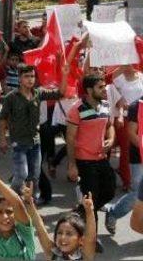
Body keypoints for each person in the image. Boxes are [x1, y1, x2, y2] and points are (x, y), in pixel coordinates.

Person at [0, 63, 69, 195]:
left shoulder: (39, 93)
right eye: (26, 76)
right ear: (19, 78)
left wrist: (64, 75)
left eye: (32, 76)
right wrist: (2, 139)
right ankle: (11, 198)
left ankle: (32, 203)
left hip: (35, 143)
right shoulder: (11, 98)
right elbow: (2, 119)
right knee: (21, 175)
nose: (30, 79)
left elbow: (60, 93)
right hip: (19, 144)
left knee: (34, 176)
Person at [66, 74, 115, 253]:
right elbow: (70, 138)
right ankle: (91, 239)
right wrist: (72, 165)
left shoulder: (105, 105)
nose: (104, 90)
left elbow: (110, 126)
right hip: (85, 161)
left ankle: (80, 210)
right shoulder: (77, 109)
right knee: (92, 201)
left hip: (101, 158)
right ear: (89, 90)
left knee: (109, 191)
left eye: (104, 86)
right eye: (100, 87)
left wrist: (110, 139)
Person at [22, 182, 96, 261]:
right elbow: (40, 227)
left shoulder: (84, 257)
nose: (63, 237)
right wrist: (28, 202)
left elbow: (91, 239)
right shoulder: (52, 254)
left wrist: (89, 211)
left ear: (81, 240)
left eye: (69, 234)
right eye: (60, 233)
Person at [104, 95, 142, 235]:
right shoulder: (136, 106)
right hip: (139, 158)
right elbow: (132, 133)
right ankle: (113, 212)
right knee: (138, 194)